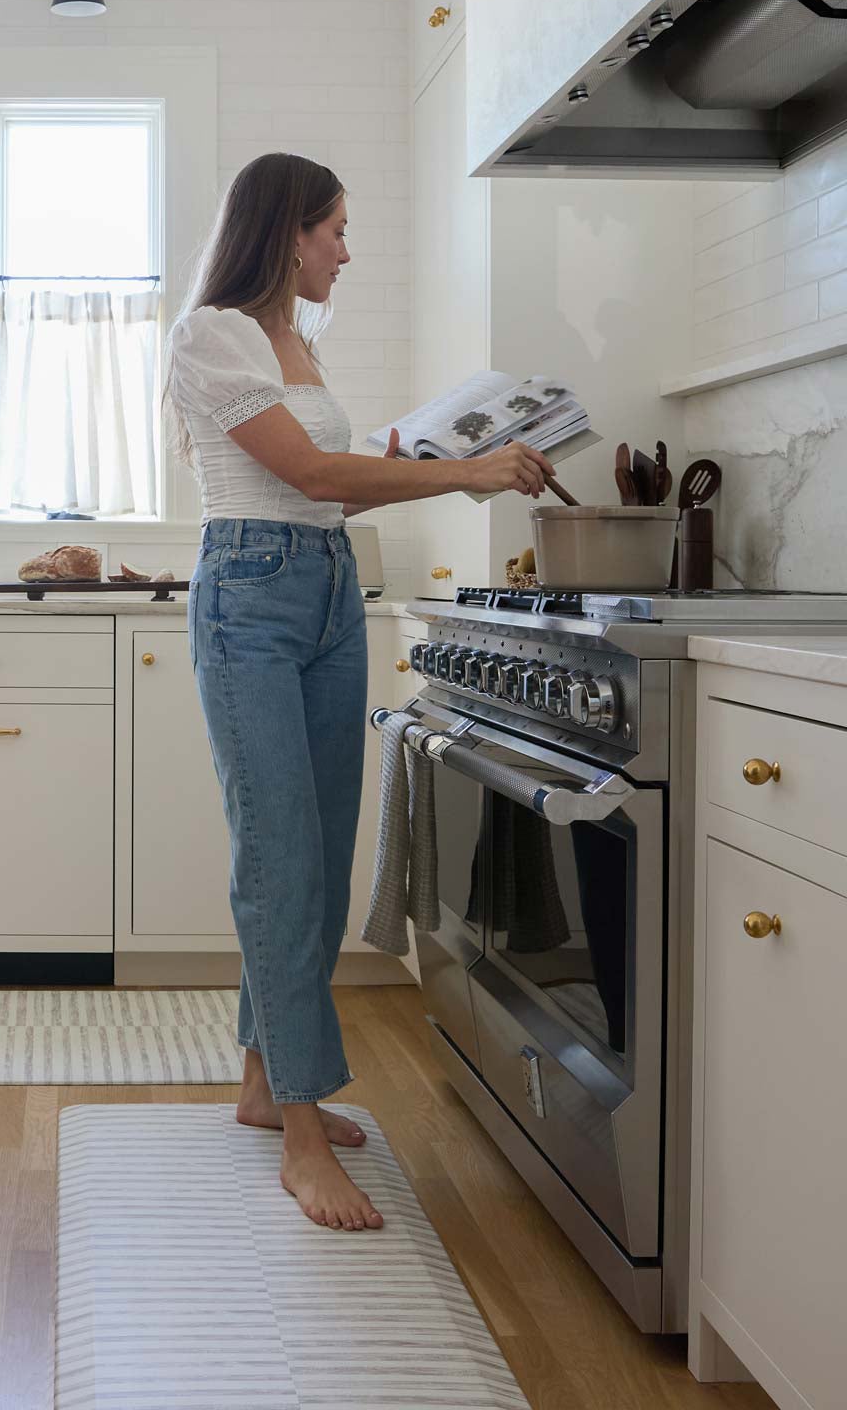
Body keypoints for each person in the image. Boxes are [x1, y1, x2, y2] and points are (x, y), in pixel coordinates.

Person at [161, 152, 554, 1232]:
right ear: (289, 231)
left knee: (321, 847)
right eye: (335, 228)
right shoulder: (213, 333)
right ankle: (298, 1130)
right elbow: (315, 476)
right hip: (250, 592)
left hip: (331, 589)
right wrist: (465, 475)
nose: (346, 247)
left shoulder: (299, 341)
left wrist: (451, 442)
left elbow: (343, 463)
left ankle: (259, 1080)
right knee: (279, 855)